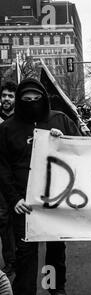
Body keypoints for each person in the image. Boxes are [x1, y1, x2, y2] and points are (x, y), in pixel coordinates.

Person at [0, 78, 81, 295]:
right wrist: (14, 198)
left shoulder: (60, 119)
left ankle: (55, 287)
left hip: (54, 201)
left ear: (44, 99)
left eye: (36, 99)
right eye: (26, 100)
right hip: (24, 205)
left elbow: (81, 149)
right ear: (19, 100)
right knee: (25, 254)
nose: (32, 103)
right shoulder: (7, 129)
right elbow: (2, 167)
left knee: (55, 249)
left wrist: (63, 141)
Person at [0, 82, 17, 278]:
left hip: (17, 178)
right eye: (4, 95)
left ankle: (22, 257)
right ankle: (10, 261)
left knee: (18, 219)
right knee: (3, 220)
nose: (6, 99)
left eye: (10, 96)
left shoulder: (21, 120)